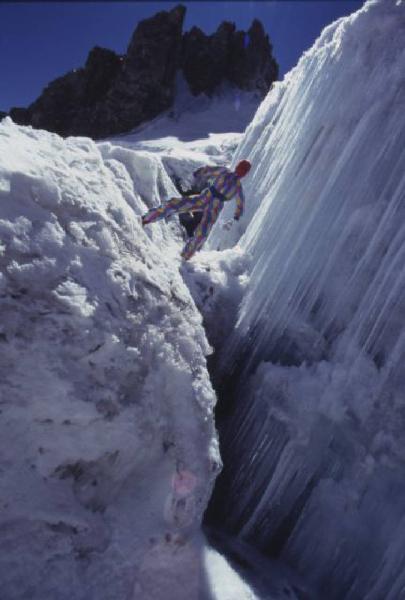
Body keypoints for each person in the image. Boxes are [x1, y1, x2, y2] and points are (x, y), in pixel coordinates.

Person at [141, 159, 251, 260]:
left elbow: (240, 204)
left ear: (245, 174)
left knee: (201, 234)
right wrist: (194, 175)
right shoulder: (224, 171)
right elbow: (207, 169)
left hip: (214, 209)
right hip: (203, 198)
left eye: (244, 171)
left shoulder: (237, 187)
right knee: (174, 205)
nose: (241, 172)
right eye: (241, 168)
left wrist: (235, 218)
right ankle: (146, 218)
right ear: (237, 166)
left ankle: (184, 256)